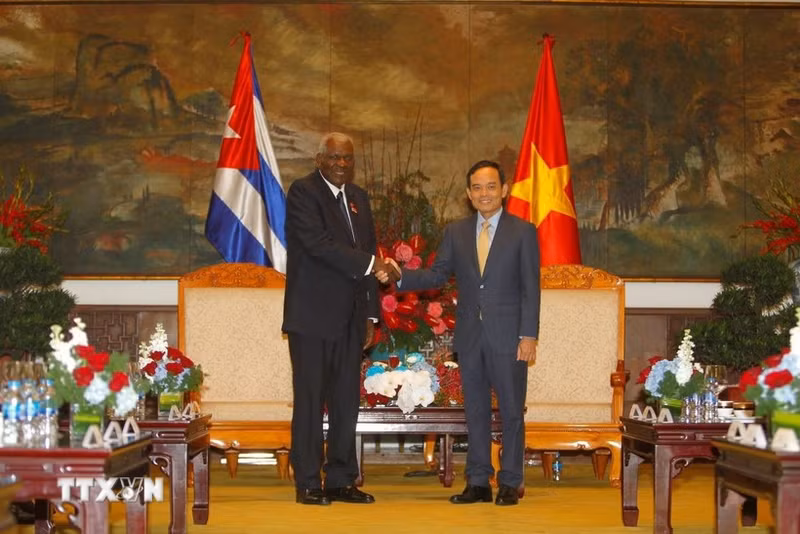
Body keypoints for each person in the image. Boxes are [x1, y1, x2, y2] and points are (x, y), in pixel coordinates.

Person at [380, 160, 540, 506]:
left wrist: (529, 336)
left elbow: (531, 288)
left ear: (504, 190)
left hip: (509, 336)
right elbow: (437, 275)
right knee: (476, 411)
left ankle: (511, 481)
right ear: (468, 194)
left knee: (511, 410)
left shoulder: (523, 231)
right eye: (477, 188)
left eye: (491, 186)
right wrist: (399, 276)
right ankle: (478, 481)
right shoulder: (456, 231)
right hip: (469, 335)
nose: (485, 193)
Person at [282, 132, 398, 505]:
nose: (341, 164)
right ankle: (309, 483)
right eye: (334, 157)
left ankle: (341, 480)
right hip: (312, 317)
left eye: (347, 158)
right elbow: (318, 245)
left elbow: (365, 254)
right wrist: (372, 263)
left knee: (347, 402)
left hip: (351, 318)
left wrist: (370, 315)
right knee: (311, 400)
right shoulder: (303, 193)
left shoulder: (359, 199)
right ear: (319, 159)